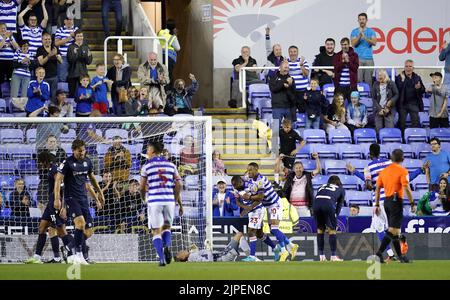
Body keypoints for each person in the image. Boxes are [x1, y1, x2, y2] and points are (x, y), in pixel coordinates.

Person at [347, 143, 426, 260]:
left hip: (379, 201)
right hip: (393, 199)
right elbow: (406, 178)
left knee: (379, 228)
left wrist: (355, 172)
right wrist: (420, 170)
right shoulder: (390, 164)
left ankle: (389, 253)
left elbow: (370, 185)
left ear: (370, 154)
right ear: (380, 152)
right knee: (392, 228)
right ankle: (397, 250)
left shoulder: (368, 168)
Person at [54, 139, 105, 265]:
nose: (81, 153)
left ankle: (69, 246)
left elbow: (91, 180)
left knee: (88, 231)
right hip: (72, 198)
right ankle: (78, 255)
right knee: (80, 224)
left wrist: (100, 194)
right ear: (73, 151)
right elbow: (58, 180)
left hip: (83, 199)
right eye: (79, 151)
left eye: (83, 151)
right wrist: (57, 199)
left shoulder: (87, 162)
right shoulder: (67, 163)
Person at [24, 151, 75, 264]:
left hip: (56, 203)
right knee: (42, 228)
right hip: (50, 203)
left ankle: (73, 254)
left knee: (61, 231)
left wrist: (62, 205)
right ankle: (37, 257)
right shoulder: (51, 169)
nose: (39, 164)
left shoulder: (55, 169)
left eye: (40, 162)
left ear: (44, 161)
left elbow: (62, 186)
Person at [242, 163, 299, 262]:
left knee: (274, 229)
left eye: (251, 170)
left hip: (275, 204)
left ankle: (284, 251)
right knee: (273, 230)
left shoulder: (261, 180)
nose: (249, 172)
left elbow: (260, 197)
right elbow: (242, 180)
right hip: (267, 206)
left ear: (256, 170)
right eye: (248, 170)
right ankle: (291, 246)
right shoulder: (251, 178)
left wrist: (249, 197)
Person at [140, 141, 183, 266]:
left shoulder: (147, 166)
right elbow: (179, 184)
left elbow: (141, 187)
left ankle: (162, 258)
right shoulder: (171, 165)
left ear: (152, 150)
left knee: (156, 231)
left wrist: (144, 199)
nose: (147, 151)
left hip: (154, 201)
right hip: (169, 201)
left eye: (148, 149)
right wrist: (176, 201)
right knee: (166, 228)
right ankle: (167, 246)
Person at [375, 149, 415, 263]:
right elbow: (406, 187)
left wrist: (377, 204)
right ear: (402, 159)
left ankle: (401, 257)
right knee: (393, 230)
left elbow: (377, 188)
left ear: (391, 159)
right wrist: (412, 202)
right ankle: (378, 253)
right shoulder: (402, 171)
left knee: (396, 231)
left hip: (386, 201)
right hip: (396, 200)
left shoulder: (384, 171)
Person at [231, 175, 279, 262]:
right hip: (250, 211)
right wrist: (245, 207)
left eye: (238, 185)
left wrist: (250, 207)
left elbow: (259, 199)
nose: (236, 187)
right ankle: (275, 248)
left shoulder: (251, 186)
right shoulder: (235, 189)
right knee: (259, 234)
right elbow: (237, 202)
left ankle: (252, 256)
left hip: (258, 209)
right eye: (235, 186)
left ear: (241, 182)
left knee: (250, 232)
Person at [313, 175, 345, 261]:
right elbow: (339, 205)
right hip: (328, 204)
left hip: (316, 205)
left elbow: (317, 198)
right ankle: (333, 256)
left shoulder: (321, 186)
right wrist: (335, 217)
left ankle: (321, 257)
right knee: (332, 230)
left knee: (320, 230)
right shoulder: (341, 189)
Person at [175, 231, 251, 262]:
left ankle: (249, 257)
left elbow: (200, 253)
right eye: (180, 253)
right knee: (239, 234)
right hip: (224, 256)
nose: (182, 250)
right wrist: (208, 249)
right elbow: (209, 261)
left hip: (223, 253)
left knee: (239, 234)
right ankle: (250, 257)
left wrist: (195, 249)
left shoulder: (192, 255)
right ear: (182, 258)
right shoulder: (192, 257)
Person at [395, 59, 425, 132]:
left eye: (410, 66)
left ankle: (414, 137)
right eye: (406, 66)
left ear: (413, 68)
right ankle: (402, 139)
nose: (408, 68)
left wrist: (419, 88)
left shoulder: (417, 77)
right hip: (402, 104)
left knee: (416, 122)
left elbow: (423, 90)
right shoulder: (399, 77)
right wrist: (403, 80)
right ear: (404, 67)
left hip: (414, 103)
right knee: (401, 123)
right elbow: (397, 90)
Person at [350, 12, 377, 86]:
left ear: (366, 20)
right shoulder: (354, 31)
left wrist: (365, 37)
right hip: (357, 59)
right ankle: (357, 97)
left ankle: (369, 97)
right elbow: (353, 44)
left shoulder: (371, 31)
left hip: (369, 59)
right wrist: (359, 35)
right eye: (360, 19)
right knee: (358, 80)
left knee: (369, 80)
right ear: (358, 21)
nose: (362, 21)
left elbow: (374, 43)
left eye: (363, 19)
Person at [36, 32, 62, 104]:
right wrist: (49, 55)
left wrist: (56, 55)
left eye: (49, 39)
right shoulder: (40, 49)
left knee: (53, 96)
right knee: (44, 95)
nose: (47, 41)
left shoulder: (55, 48)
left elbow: (61, 61)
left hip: (54, 76)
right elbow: (41, 62)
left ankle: (52, 111)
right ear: (42, 40)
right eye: (45, 39)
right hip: (44, 77)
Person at [67, 29, 92, 98]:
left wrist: (87, 56)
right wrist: (75, 54)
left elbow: (89, 62)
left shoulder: (86, 47)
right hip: (73, 74)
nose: (79, 38)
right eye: (78, 36)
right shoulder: (71, 47)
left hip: (83, 74)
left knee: (83, 93)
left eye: (81, 36)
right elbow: (70, 60)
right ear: (75, 37)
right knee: (72, 94)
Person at [333, 37, 359, 102]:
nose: (344, 46)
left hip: (351, 86)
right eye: (342, 44)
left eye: (345, 44)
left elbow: (355, 69)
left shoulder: (354, 55)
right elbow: (336, 69)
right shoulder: (337, 55)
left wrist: (348, 61)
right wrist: (342, 61)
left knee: (354, 106)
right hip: (340, 86)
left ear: (349, 44)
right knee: (338, 106)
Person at [55, 15, 78, 82]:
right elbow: (56, 43)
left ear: (73, 21)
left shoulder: (76, 29)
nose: (69, 21)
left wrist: (63, 41)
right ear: (64, 21)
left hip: (74, 57)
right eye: (67, 19)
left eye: (71, 19)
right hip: (63, 57)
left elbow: (80, 42)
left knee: (75, 77)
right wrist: (70, 37)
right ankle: (63, 92)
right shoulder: (60, 30)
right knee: (62, 77)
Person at [157, 19, 180, 86]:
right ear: (173, 28)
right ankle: (168, 90)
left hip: (161, 55)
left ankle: (162, 89)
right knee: (169, 74)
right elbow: (178, 48)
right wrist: (175, 35)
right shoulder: (172, 37)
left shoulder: (160, 32)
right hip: (170, 57)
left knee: (161, 73)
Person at [287, 45, 310, 113]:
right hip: (291, 92)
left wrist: (301, 65)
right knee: (291, 112)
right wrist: (286, 65)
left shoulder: (303, 61)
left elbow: (306, 74)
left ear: (297, 53)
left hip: (303, 92)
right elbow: (284, 74)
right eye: (291, 52)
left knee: (303, 111)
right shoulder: (286, 61)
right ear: (288, 53)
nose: (293, 53)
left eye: (294, 51)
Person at [0, 22, 18, 97]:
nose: (3, 30)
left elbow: (16, 47)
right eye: (1, 28)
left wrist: (10, 38)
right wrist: (4, 38)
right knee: (0, 78)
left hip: (10, 60)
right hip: (1, 60)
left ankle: (12, 93)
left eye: (5, 28)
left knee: (11, 78)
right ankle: (0, 94)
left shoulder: (10, 37)